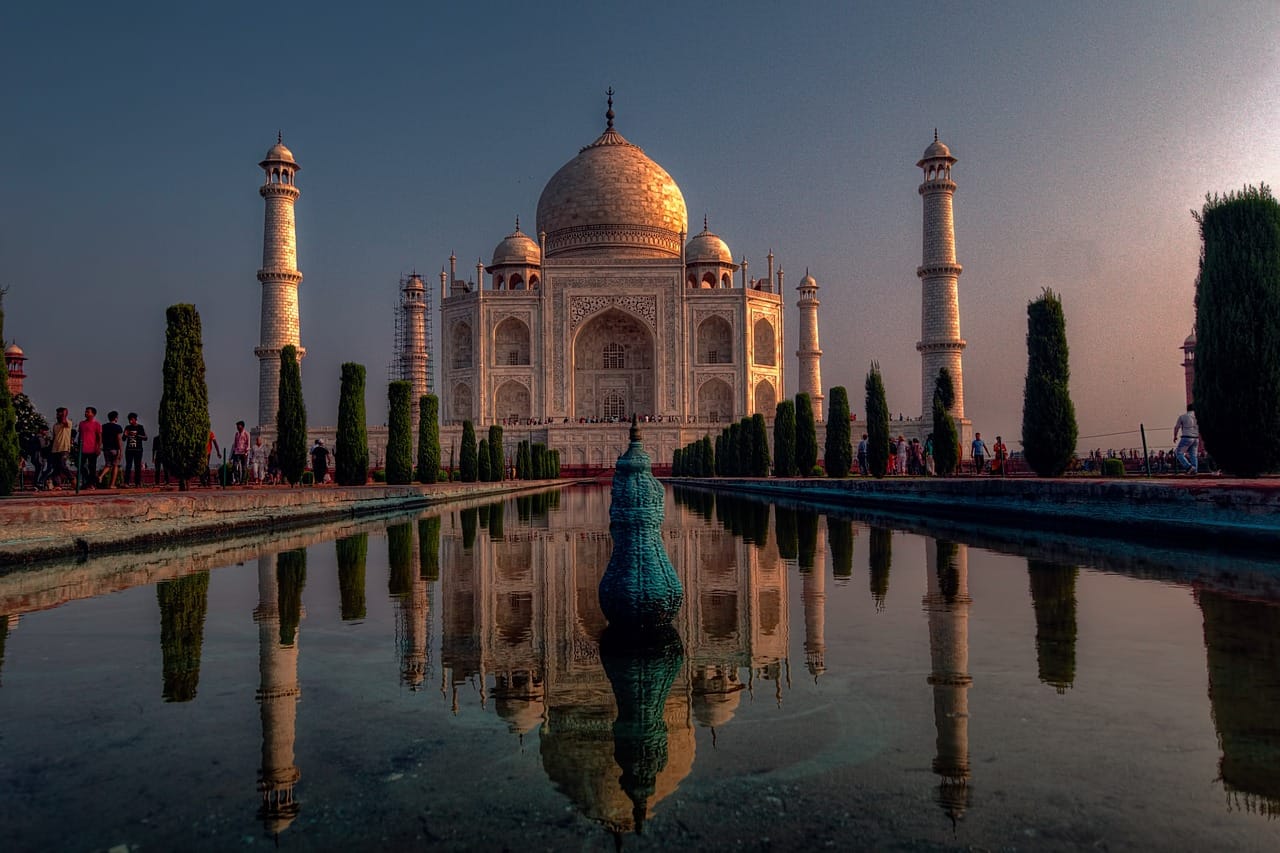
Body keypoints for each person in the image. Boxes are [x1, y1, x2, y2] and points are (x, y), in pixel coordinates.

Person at [78, 407, 103, 489]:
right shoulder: (81, 423)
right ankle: (87, 481)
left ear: (93, 414)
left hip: (92, 449)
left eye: (88, 412)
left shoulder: (97, 424)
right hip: (83, 448)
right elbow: (80, 435)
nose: (86, 413)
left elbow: (99, 437)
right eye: (85, 412)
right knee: (81, 466)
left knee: (92, 467)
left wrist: (98, 447)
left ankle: (92, 484)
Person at [100, 411, 124, 488]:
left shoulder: (103, 426)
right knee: (115, 466)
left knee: (108, 465)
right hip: (115, 449)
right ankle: (112, 484)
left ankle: (101, 476)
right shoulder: (118, 427)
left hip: (106, 448)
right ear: (116, 418)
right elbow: (119, 439)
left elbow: (101, 438)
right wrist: (121, 451)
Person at [50, 407, 73, 489]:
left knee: (62, 465)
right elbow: (54, 437)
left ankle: (72, 479)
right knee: (56, 467)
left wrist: (64, 413)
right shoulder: (55, 426)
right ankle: (57, 485)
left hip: (64, 448)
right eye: (57, 414)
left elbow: (64, 421)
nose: (58, 416)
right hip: (55, 449)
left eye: (59, 414)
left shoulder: (68, 423)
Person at [123, 413, 147, 487]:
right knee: (128, 466)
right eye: (129, 420)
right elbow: (123, 439)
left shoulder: (140, 427)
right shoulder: (127, 427)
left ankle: (137, 483)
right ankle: (126, 483)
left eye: (132, 419)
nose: (130, 421)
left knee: (137, 467)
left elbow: (145, 438)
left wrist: (136, 435)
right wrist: (125, 435)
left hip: (138, 450)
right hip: (129, 450)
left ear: (135, 420)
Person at [1173, 404, 1199, 475]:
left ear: (1187, 409)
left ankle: (1189, 467)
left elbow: (1176, 427)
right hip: (1196, 438)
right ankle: (1195, 470)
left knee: (1178, 453)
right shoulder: (1198, 417)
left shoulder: (1183, 417)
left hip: (1186, 437)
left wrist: (1175, 436)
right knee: (1193, 455)